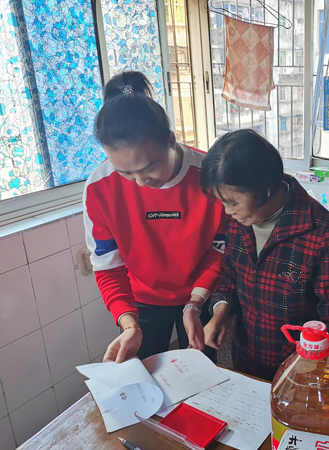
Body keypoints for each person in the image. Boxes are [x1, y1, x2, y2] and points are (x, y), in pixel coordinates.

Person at [84, 71, 225, 363]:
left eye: (149, 167)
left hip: (201, 292)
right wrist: (128, 323)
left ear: (170, 141)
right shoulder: (100, 187)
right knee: (143, 374)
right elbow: (108, 267)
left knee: (201, 369)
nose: (140, 182)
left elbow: (220, 249)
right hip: (141, 302)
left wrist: (195, 302)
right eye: (125, 172)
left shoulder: (209, 175)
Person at [199, 129, 329, 381]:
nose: (228, 211)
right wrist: (220, 311)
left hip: (300, 373)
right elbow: (231, 274)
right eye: (223, 202)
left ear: (265, 187)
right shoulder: (239, 221)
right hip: (246, 361)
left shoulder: (322, 233)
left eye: (233, 202)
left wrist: (316, 374)